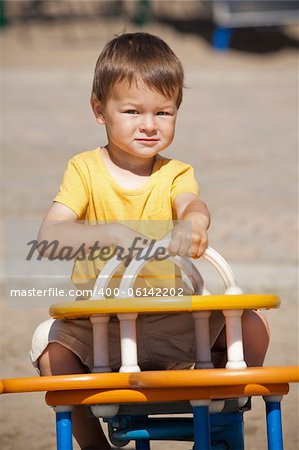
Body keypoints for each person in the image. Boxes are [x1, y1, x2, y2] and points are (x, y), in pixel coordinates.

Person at [30, 32, 270, 450]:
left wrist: (193, 223)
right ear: (99, 110)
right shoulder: (85, 170)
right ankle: (94, 442)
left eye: (164, 112)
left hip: (171, 321)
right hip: (99, 325)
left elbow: (193, 203)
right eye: (132, 110)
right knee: (51, 350)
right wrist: (107, 233)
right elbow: (50, 235)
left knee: (253, 325)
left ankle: (220, 416)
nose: (149, 125)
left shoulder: (174, 173)